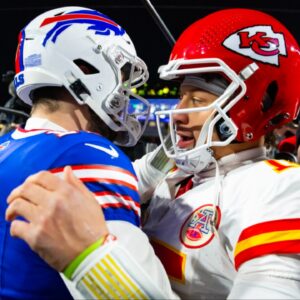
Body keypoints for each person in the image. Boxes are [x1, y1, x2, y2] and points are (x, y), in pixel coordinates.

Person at [6, 7, 300, 299]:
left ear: (257, 105)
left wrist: (93, 261)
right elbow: (149, 169)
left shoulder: (278, 189)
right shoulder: (179, 173)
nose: (178, 113)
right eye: (182, 96)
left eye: (197, 99)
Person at [1, 6, 175, 300]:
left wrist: (170, 153)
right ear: (85, 68)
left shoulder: (10, 145)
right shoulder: (88, 154)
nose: (124, 91)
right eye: (121, 76)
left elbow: (134, 176)